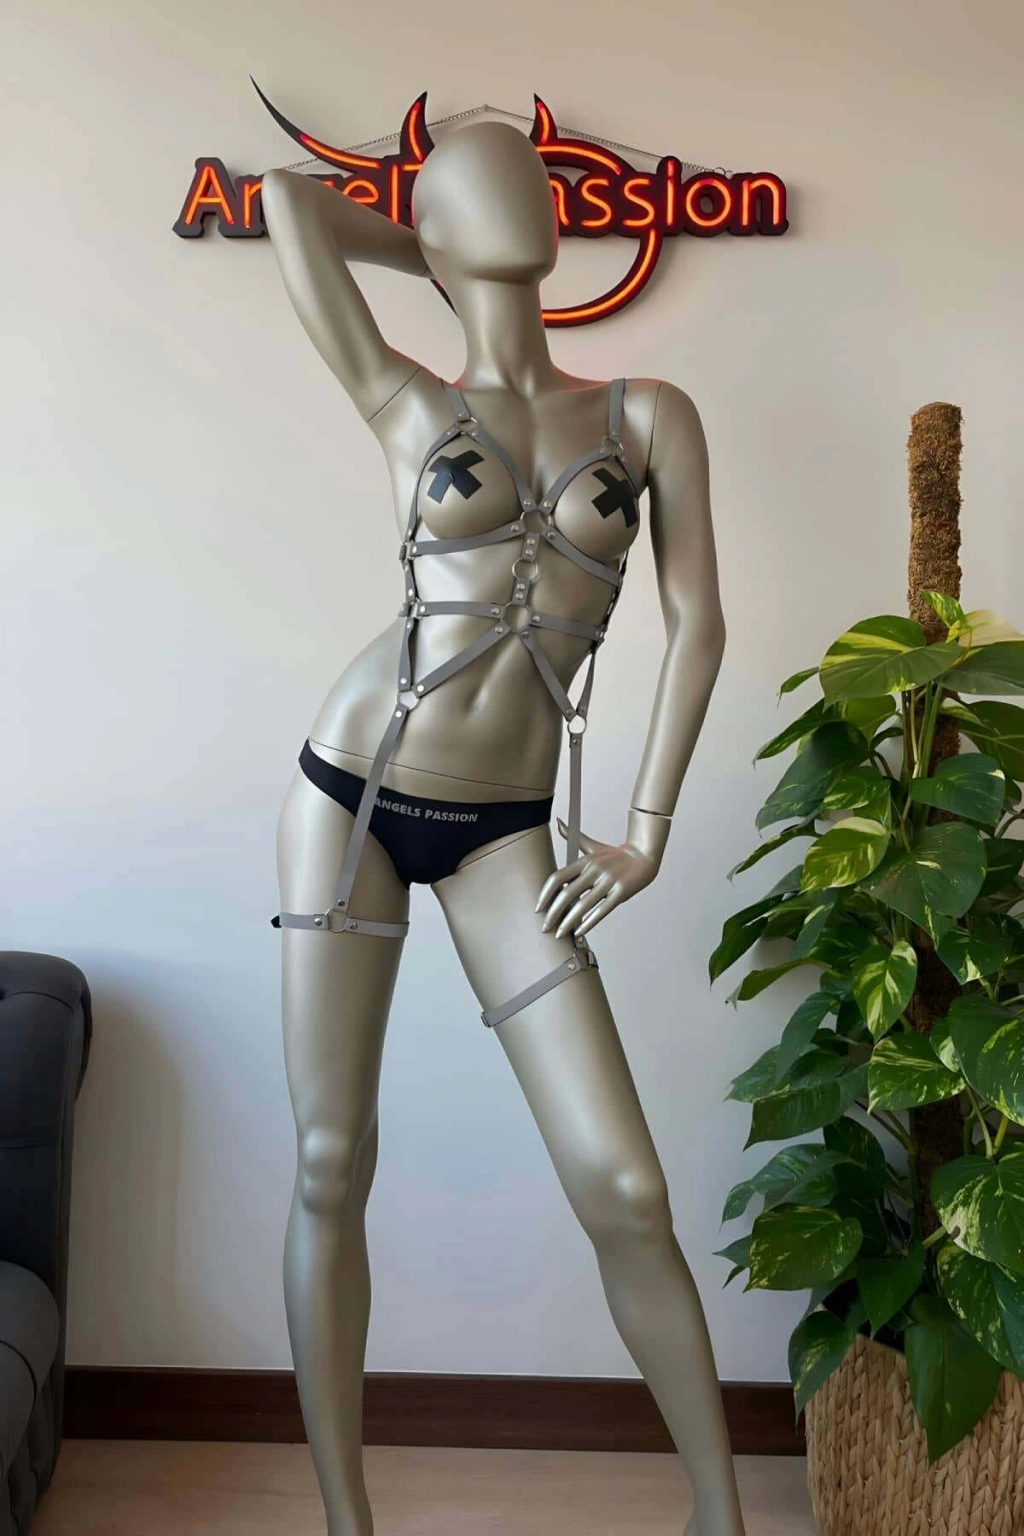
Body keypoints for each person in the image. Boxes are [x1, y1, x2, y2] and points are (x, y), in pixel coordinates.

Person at [262, 117, 744, 1536]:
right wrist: (421, 235)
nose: (529, 191)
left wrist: (645, 831)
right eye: (488, 183)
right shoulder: (407, 403)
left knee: (626, 1185)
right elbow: (287, 198)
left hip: (507, 831)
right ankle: (347, 1519)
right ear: (440, 224)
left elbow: (699, 625)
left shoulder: (647, 415)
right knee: (330, 1162)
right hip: (352, 797)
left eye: (531, 175)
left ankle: (719, 1516)